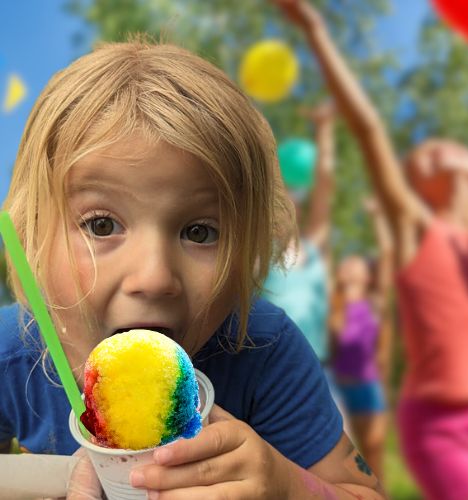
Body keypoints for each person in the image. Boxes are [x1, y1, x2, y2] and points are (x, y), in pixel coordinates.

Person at [0, 38, 386, 499]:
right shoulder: (11, 355)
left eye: (200, 232)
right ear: (30, 239)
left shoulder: (264, 347)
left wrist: (287, 487)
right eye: (101, 225)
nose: (155, 277)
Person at [273, 1, 468, 499]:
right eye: (417, 159)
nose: (427, 151)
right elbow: (371, 129)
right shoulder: (421, 230)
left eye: (438, 146)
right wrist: (315, 32)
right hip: (447, 426)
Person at [262, 101, 335, 367]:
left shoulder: (313, 246)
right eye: (280, 201)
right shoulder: (259, 254)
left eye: (293, 199)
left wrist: (324, 131)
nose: (289, 203)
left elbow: (324, 186)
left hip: (318, 367)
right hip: (272, 366)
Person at [330, 198, 393, 481]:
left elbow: (388, 254)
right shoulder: (334, 303)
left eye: (358, 263)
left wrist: (379, 216)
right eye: (348, 263)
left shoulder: (375, 302)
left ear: (368, 276)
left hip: (369, 386)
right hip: (341, 390)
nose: (352, 265)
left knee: (375, 449)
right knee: (356, 463)